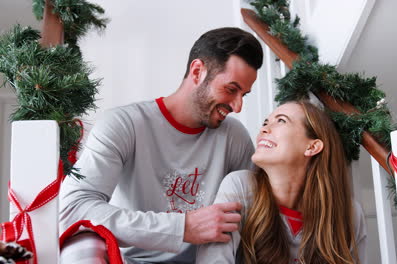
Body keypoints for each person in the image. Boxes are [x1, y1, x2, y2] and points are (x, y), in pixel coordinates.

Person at [59, 27, 263, 263]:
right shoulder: (123, 125)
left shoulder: (234, 137)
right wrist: (181, 227)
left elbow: (258, 212)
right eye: (231, 90)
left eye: (244, 95)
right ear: (197, 71)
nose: (237, 107)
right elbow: (73, 209)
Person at [196, 100, 368, 264]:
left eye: (281, 121)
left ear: (312, 147)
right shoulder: (240, 187)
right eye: (265, 122)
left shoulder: (350, 214)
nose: (264, 129)